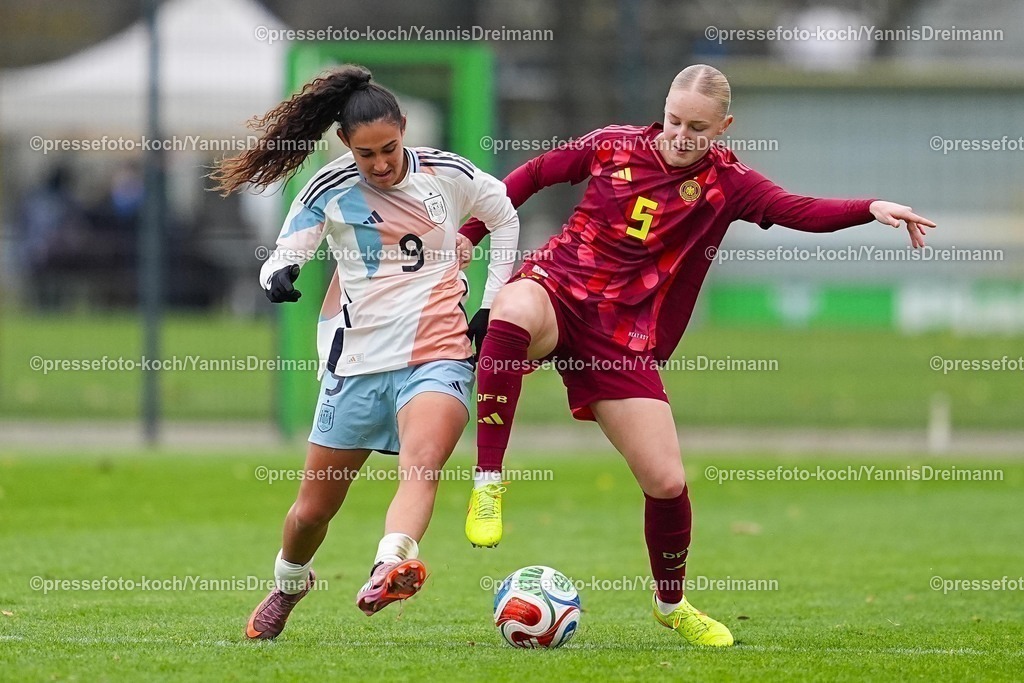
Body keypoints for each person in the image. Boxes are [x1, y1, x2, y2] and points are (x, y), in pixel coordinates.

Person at [459, 64, 935, 647]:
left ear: (724, 127)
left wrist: (869, 207)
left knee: (665, 481)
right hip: (558, 290)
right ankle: (488, 478)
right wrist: (472, 235)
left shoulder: (727, 184)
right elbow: (531, 176)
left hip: (620, 337)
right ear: (663, 109)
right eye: (674, 120)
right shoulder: (613, 145)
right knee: (510, 308)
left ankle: (671, 604)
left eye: (699, 128)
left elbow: (797, 209)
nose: (682, 135)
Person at [212, 65, 519, 640]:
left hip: (439, 352)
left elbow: (503, 213)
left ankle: (390, 564)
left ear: (404, 129)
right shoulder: (328, 190)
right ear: (343, 146)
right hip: (356, 363)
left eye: (389, 148)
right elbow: (285, 252)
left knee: (422, 463)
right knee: (311, 513)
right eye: (365, 154)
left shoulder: (447, 174)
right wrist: (277, 276)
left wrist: (490, 306)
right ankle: (287, 584)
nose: (380, 164)